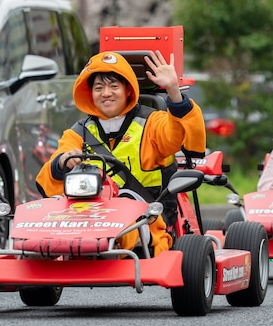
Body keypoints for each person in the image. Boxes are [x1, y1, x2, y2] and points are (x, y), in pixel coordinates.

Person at [35, 50, 206, 256]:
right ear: (90, 93)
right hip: (87, 218)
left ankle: (108, 244)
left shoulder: (152, 122)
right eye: (99, 87)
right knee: (49, 213)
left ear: (127, 90)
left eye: (114, 86)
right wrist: (62, 162)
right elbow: (47, 180)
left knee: (127, 220)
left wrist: (173, 91)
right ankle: (40, 249)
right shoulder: (77, 133)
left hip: (148, 219)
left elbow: (179, 135)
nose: (106, 93)